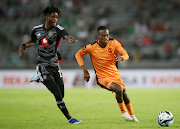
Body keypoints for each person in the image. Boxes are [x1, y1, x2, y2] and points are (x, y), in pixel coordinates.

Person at [18, 5, 82, 124]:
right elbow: (33, 41)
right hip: (42, 64)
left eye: (56, 17)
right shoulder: (36, 30)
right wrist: (24, 45)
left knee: (61, 94)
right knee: (57, 94)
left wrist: (70, 39)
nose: (55, 19)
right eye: (53, 17)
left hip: (55, 65)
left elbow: (66, 36)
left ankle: (40, 78)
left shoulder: (58, 29)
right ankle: (70, 118)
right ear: (46, 17)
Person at [75, 26, 139, 122]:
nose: (106, 37)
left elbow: (126, 55)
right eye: (103, 35)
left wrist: (121, 58)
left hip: (115, 74)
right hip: (102, 77)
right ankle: (123, 112)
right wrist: (85, 70)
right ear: (98, 36)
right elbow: (78, 54)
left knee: (124, 93)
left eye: (107, 35)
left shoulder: (114, 43)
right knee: (119, 89)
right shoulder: (91, 47)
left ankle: (132, 115)